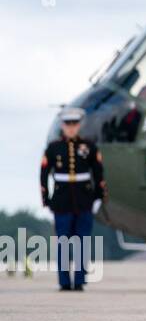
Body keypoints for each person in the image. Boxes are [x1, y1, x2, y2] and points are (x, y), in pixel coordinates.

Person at [40, 107, 106, 291]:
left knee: (82, 241)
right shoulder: (53, 148)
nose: (71, 128)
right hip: (61, 200)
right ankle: (63, 282)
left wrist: (99, 197)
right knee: (63, 242)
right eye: (67, 124)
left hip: (84, 199)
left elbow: (98, 172)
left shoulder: (89, 147)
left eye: (74, 124)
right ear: (63, 125)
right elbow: (44, 173)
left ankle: (79, 280)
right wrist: (46, 198)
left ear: (79, 125)